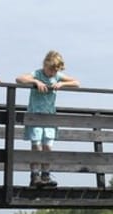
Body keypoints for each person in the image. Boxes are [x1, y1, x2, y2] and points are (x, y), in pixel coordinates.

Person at [16, 51, 80, 189]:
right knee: (37, 146)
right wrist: (35, 81)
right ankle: (35, 175)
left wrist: (62, 84)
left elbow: (77, 83)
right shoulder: (37, 74)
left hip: (50, 116)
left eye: (55, 71)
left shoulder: (57, 76)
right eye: (51, 70)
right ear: (45, 65)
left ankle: (46, 174)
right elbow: (19, 79)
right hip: (35, 115)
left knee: (48, 147)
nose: (52, 73)